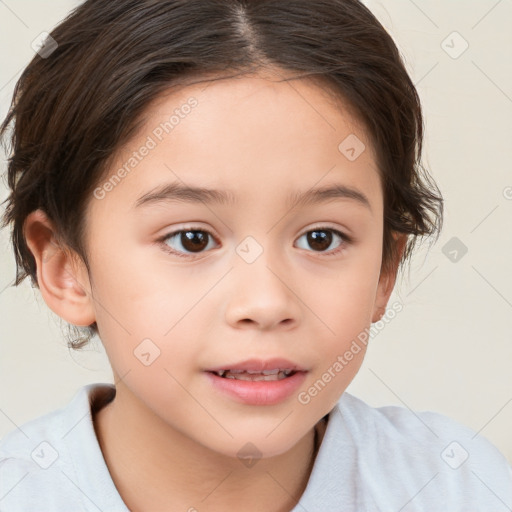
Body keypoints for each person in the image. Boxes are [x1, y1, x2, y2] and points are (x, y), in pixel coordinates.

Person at [1, 0, 511, 510]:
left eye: (320, 238)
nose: (266, 303)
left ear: (385, 269)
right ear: (65, 268)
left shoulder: (461, 487)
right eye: (192, 239)